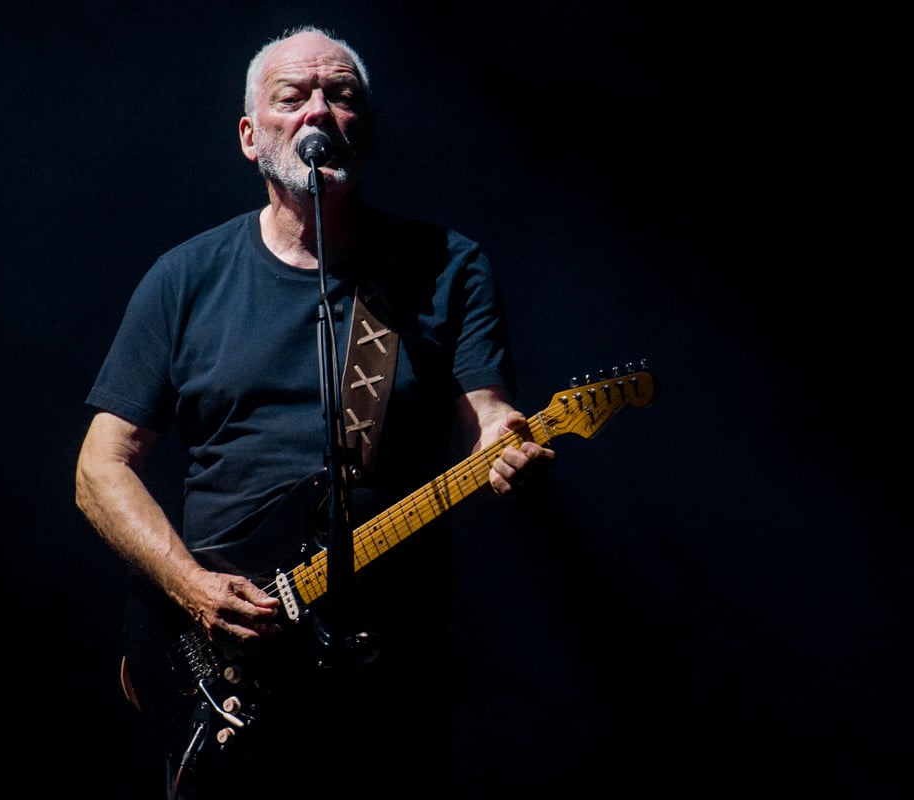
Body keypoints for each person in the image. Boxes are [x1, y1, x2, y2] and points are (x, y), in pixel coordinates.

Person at [74, 25, 555, 799]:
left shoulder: (447, 266)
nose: (318, 113)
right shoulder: (185, 278)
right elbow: (101, 465)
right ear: (249, 134)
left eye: (341, 96)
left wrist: (506, 447)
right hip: (227, 660)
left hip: (390, 663)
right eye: (292, 98)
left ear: (367, 127)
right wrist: (191, 586)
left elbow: (487, 417)